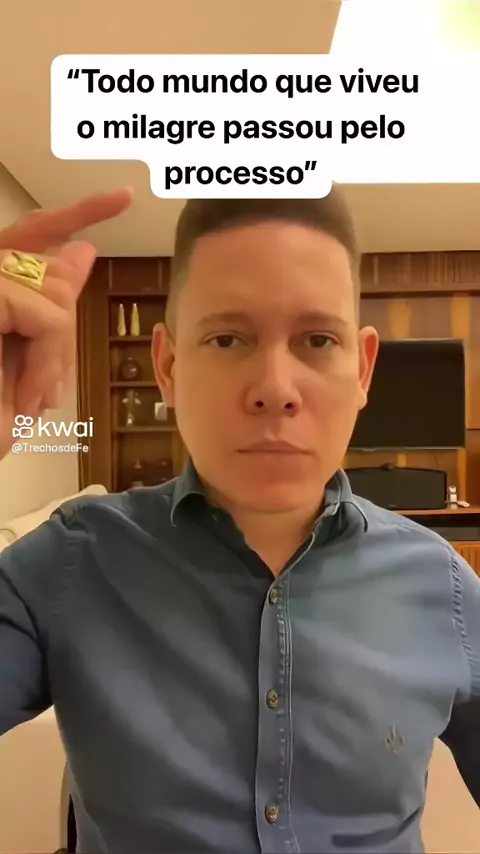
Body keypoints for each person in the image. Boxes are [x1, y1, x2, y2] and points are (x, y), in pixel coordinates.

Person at [0, 186, 478, 854]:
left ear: (363, 369)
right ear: (167, 366)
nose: (275, 389)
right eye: (227, 338)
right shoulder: (70, 561)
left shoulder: (445, 589)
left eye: (318, 339)